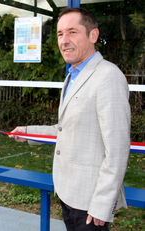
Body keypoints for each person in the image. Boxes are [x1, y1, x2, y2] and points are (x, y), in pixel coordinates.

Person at [9, 8, 130, 231]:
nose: (64, 41)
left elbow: (118, 150)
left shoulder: (108, 76)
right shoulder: (73, 76)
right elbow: (65, 129)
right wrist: (27, 131)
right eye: (60, 34)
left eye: (72, 32)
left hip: (91, 204)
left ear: (93, 36)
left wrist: (102, 205)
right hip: (68, 195)